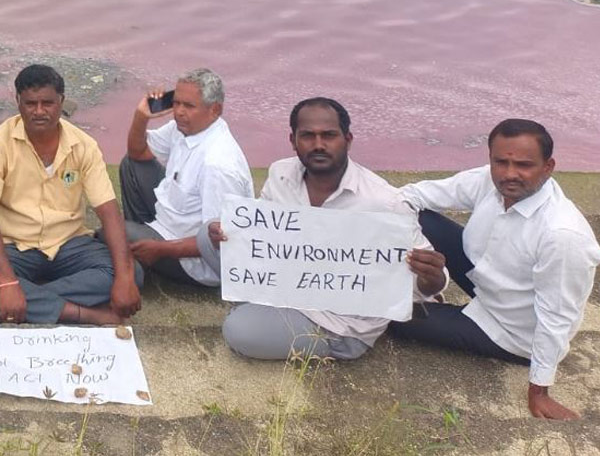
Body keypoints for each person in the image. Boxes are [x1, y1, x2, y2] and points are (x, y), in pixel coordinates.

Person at [391, 119, 600, 420]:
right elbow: (412, 195)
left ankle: (431, 301)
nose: (509, 174)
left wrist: (539, 391)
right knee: (421, 216)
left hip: (509, 329)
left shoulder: (563, 236)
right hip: (487, 277)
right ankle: (429, 290)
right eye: (500, 162)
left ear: (548, 166)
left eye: (524, 165)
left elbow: (556, 316)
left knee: (394, 318)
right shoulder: (491, 181)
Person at [219, 98, 448, 360]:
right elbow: (265, 234)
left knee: (238, 330)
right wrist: (233, 236)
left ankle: (331, 344)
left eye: (329, 135)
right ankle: (261, 310)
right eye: (307, 136)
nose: (318, 145)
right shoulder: (280, 174)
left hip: (337, 324)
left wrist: (432, 279)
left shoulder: (385, 201)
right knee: (208, 238)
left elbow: (422, 283)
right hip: (289, 288)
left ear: (348, 139)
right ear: (293, 140)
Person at [0, 64, 143, 325]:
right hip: (15, 246)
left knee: (133, 274)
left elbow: (109, 213)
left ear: (61, 101)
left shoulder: (83, 145)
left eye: (47, 103)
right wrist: (7, 279)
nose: (39, 111)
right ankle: (84, 313)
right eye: (31, 103)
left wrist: (125, 278)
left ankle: (25, 300)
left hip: (70, 243)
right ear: (18, 102)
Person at [119, 68, 252, 287]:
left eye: (189, 106)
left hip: (197, 262)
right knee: (131, 166)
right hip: (167, 224)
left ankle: (142, 249)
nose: (179, 112)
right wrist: (141, 116)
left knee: (111, 233)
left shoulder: (218, 165)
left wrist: (161, 249)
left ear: (215, 110)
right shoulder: (182, 128)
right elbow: (137, 152)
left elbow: (220, 241)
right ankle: (140, 245)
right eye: (176, 103)